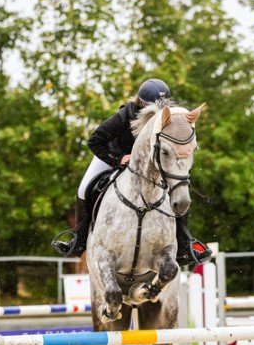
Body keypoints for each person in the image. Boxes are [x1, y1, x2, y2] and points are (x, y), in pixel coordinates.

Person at [52, 78, 212, 266]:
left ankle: (185, 244)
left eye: (164, 104)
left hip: (146, 166)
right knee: (83, 188)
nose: (160, 108)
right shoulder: (124, 116)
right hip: (112, 156)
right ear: (142, 102)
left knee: (177, 190)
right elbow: (94, 141)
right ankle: (79, 239)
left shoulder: (167, 120)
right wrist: (118, 158)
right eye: (154, 104)